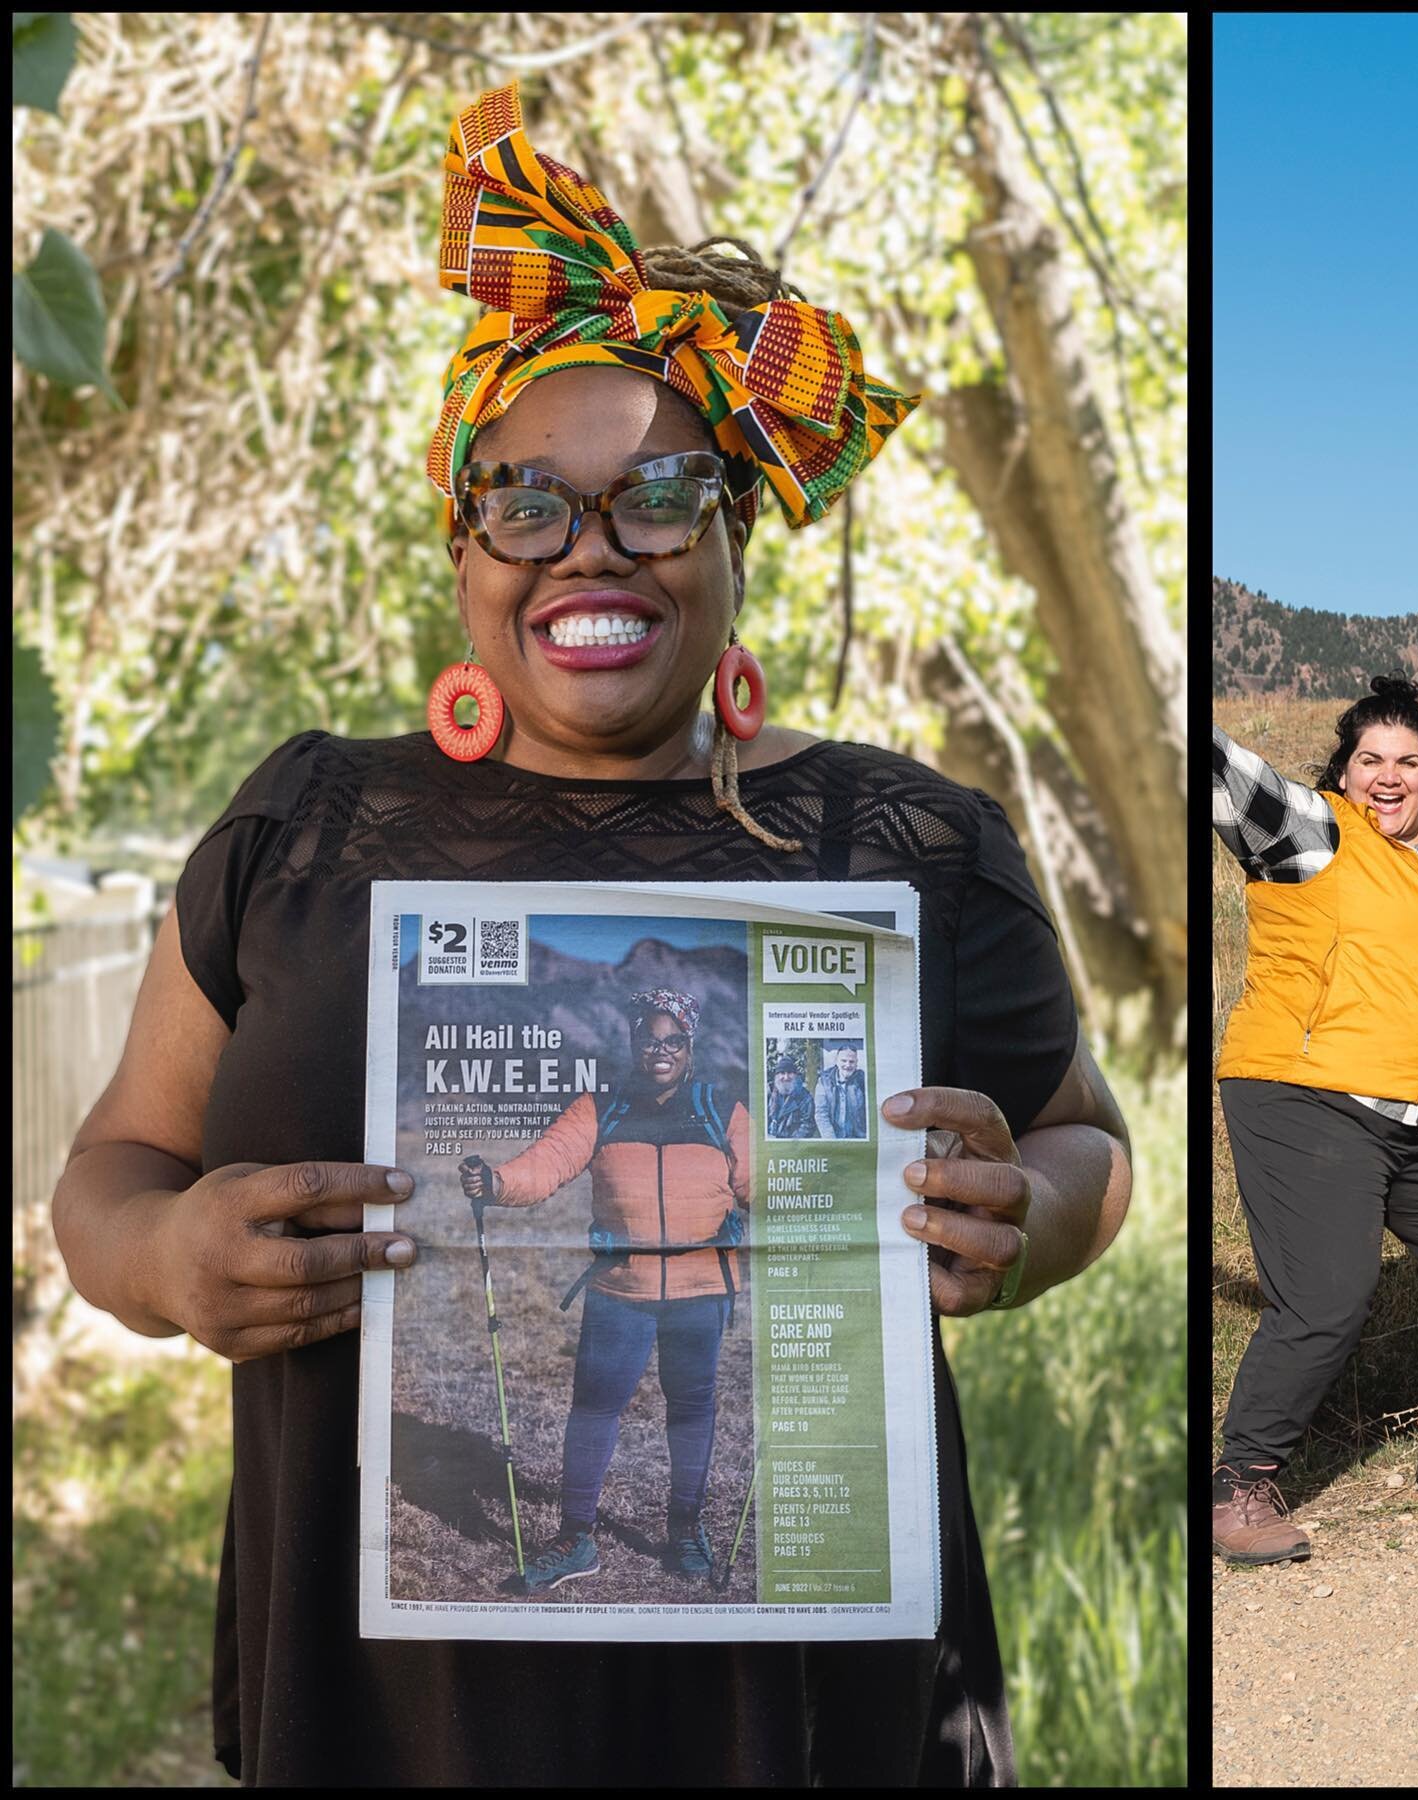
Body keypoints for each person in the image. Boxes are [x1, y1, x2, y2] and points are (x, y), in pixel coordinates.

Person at [50, 80, 1132, 1789]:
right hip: (391, 1720)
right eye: (528, 501)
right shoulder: (305, 826)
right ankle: (560, 1531)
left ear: (731, 528)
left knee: (692, 1450)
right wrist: (167, 1263)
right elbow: (110, 1173)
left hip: (810, 1720)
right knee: (586, 1434)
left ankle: (685, 1541)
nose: (589, 549)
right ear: (468, 537)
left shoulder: (910, 841)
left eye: (656, 495)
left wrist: (1032, 1208)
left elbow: (1086, 1143)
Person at [1211, 675, 1418, 1566]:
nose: (1389, 776)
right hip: (1306, 1095)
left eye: (1409, 761)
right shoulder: (1308, 832)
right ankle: (1241, 1484)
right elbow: (1216, 759)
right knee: (1329, 1295)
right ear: (1343, 772)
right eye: (1369, 759)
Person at [459, 989, 747, 1591]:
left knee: (691, 1407)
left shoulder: (722, 1107)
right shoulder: (602, 1107)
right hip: (619, 1290)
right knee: (594, 1408)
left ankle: (685, 1529)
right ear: (633, 1042)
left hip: (701, 1290)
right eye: (649, 1037)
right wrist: (495, 1181)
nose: (660, 1050)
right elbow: (545, 1164)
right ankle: (575, 1537)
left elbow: (768, 1184)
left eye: (673, 1040)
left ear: (689, 1046)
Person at [814, 1041, 868, 1140]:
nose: (847, 1065)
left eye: (851, 1061)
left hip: (857, 1138)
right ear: (836, 1061)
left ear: (856, 1063)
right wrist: (832, 1141)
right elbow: (821, 1114)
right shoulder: (824, 1081)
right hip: (833, 1137)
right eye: (844, 1061)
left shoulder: (863, 1080)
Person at [766, 1053, 816, 1139]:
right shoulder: (768, 1094)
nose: (786, 1077)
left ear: (795, 1075)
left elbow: (808, 1126)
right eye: (782, 1073)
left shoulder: (805, 1098)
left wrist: (789, 1144)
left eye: (789, 1073)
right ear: (777, 1076)